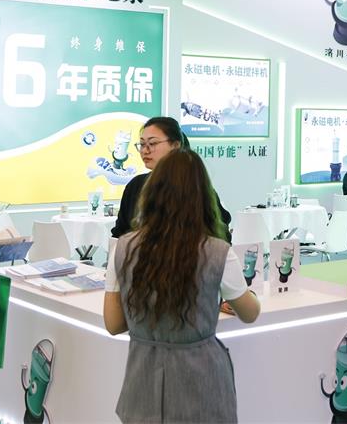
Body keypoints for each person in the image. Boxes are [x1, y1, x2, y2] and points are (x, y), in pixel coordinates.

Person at [104, 149, 260, 423]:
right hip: (202, 386)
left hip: (142, 386)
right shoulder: (218, 252)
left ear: (151, 193)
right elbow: (250, 313)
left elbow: (114, 323)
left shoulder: (123, 248)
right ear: (203, 197)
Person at [111, 116, 232, 239]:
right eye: (142, 144)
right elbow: (119, 234)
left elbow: (220, 233)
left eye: (152, 143)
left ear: (175, 145)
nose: (145, 151)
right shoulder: (135, 186)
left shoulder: (195, 187)